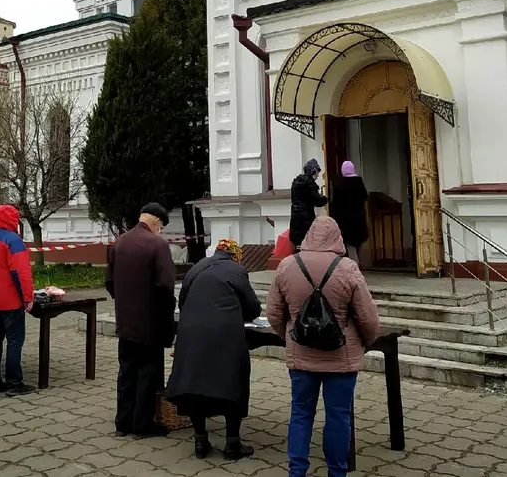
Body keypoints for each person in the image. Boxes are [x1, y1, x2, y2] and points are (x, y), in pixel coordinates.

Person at [267, 216, 380, 477]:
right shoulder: (348, 268)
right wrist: (365, 341)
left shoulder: (286, 266)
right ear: (336, 237)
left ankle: (297, 471)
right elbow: (368, 318)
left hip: (301, 357)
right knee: (338, 416)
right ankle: (336, 472)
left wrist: (291, 337)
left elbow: (273, 313)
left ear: (308, 236)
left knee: (300, 414)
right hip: (341, 357)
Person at [168, 238, 262, 461]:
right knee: (231, 384)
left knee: (195, 386)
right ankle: (232, 445)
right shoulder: (236, 270)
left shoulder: (197, 267)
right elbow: (252, 308)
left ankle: (200, 441)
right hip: (224, 336)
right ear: (235, 255)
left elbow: (183, 302)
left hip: (190, 334)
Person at [105, 202, 176, 438]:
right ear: (156, 221)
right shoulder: (158, 245)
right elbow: (165, 287)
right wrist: (168, 318)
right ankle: (142, 425)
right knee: (148, 371)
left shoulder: (120, 242)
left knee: (126, 370)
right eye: (161, 226)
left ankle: (122, 423)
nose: (161, 231)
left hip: (125, 321)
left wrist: (124, 302)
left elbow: (109, 282)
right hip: (150, 322)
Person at [0, 204, 35, 396]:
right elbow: (21, 273)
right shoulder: (14, 241)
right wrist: (28, 296)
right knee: (14, 341)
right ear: (13, 219)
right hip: (10, 299)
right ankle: (14, 383)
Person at [328, 161, 369, 264]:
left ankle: (355, 267)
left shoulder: (339, 184)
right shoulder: (358, 182)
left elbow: (335, 205)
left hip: (346, 220)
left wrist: (334, 219)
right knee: (358, 244)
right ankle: (358, 266)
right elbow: (365, 197)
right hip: (359, 219)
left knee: (350, 246)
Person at [289, 159, 328, 250]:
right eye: (317, 172)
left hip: (296, 218)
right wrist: (325, 198)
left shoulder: (296, 182)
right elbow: (317, 201)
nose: (318, 175)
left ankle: (298, 262)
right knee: (308, 243)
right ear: (313, 171)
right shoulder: (309, 184)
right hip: (306, 218)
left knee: (298, 246)